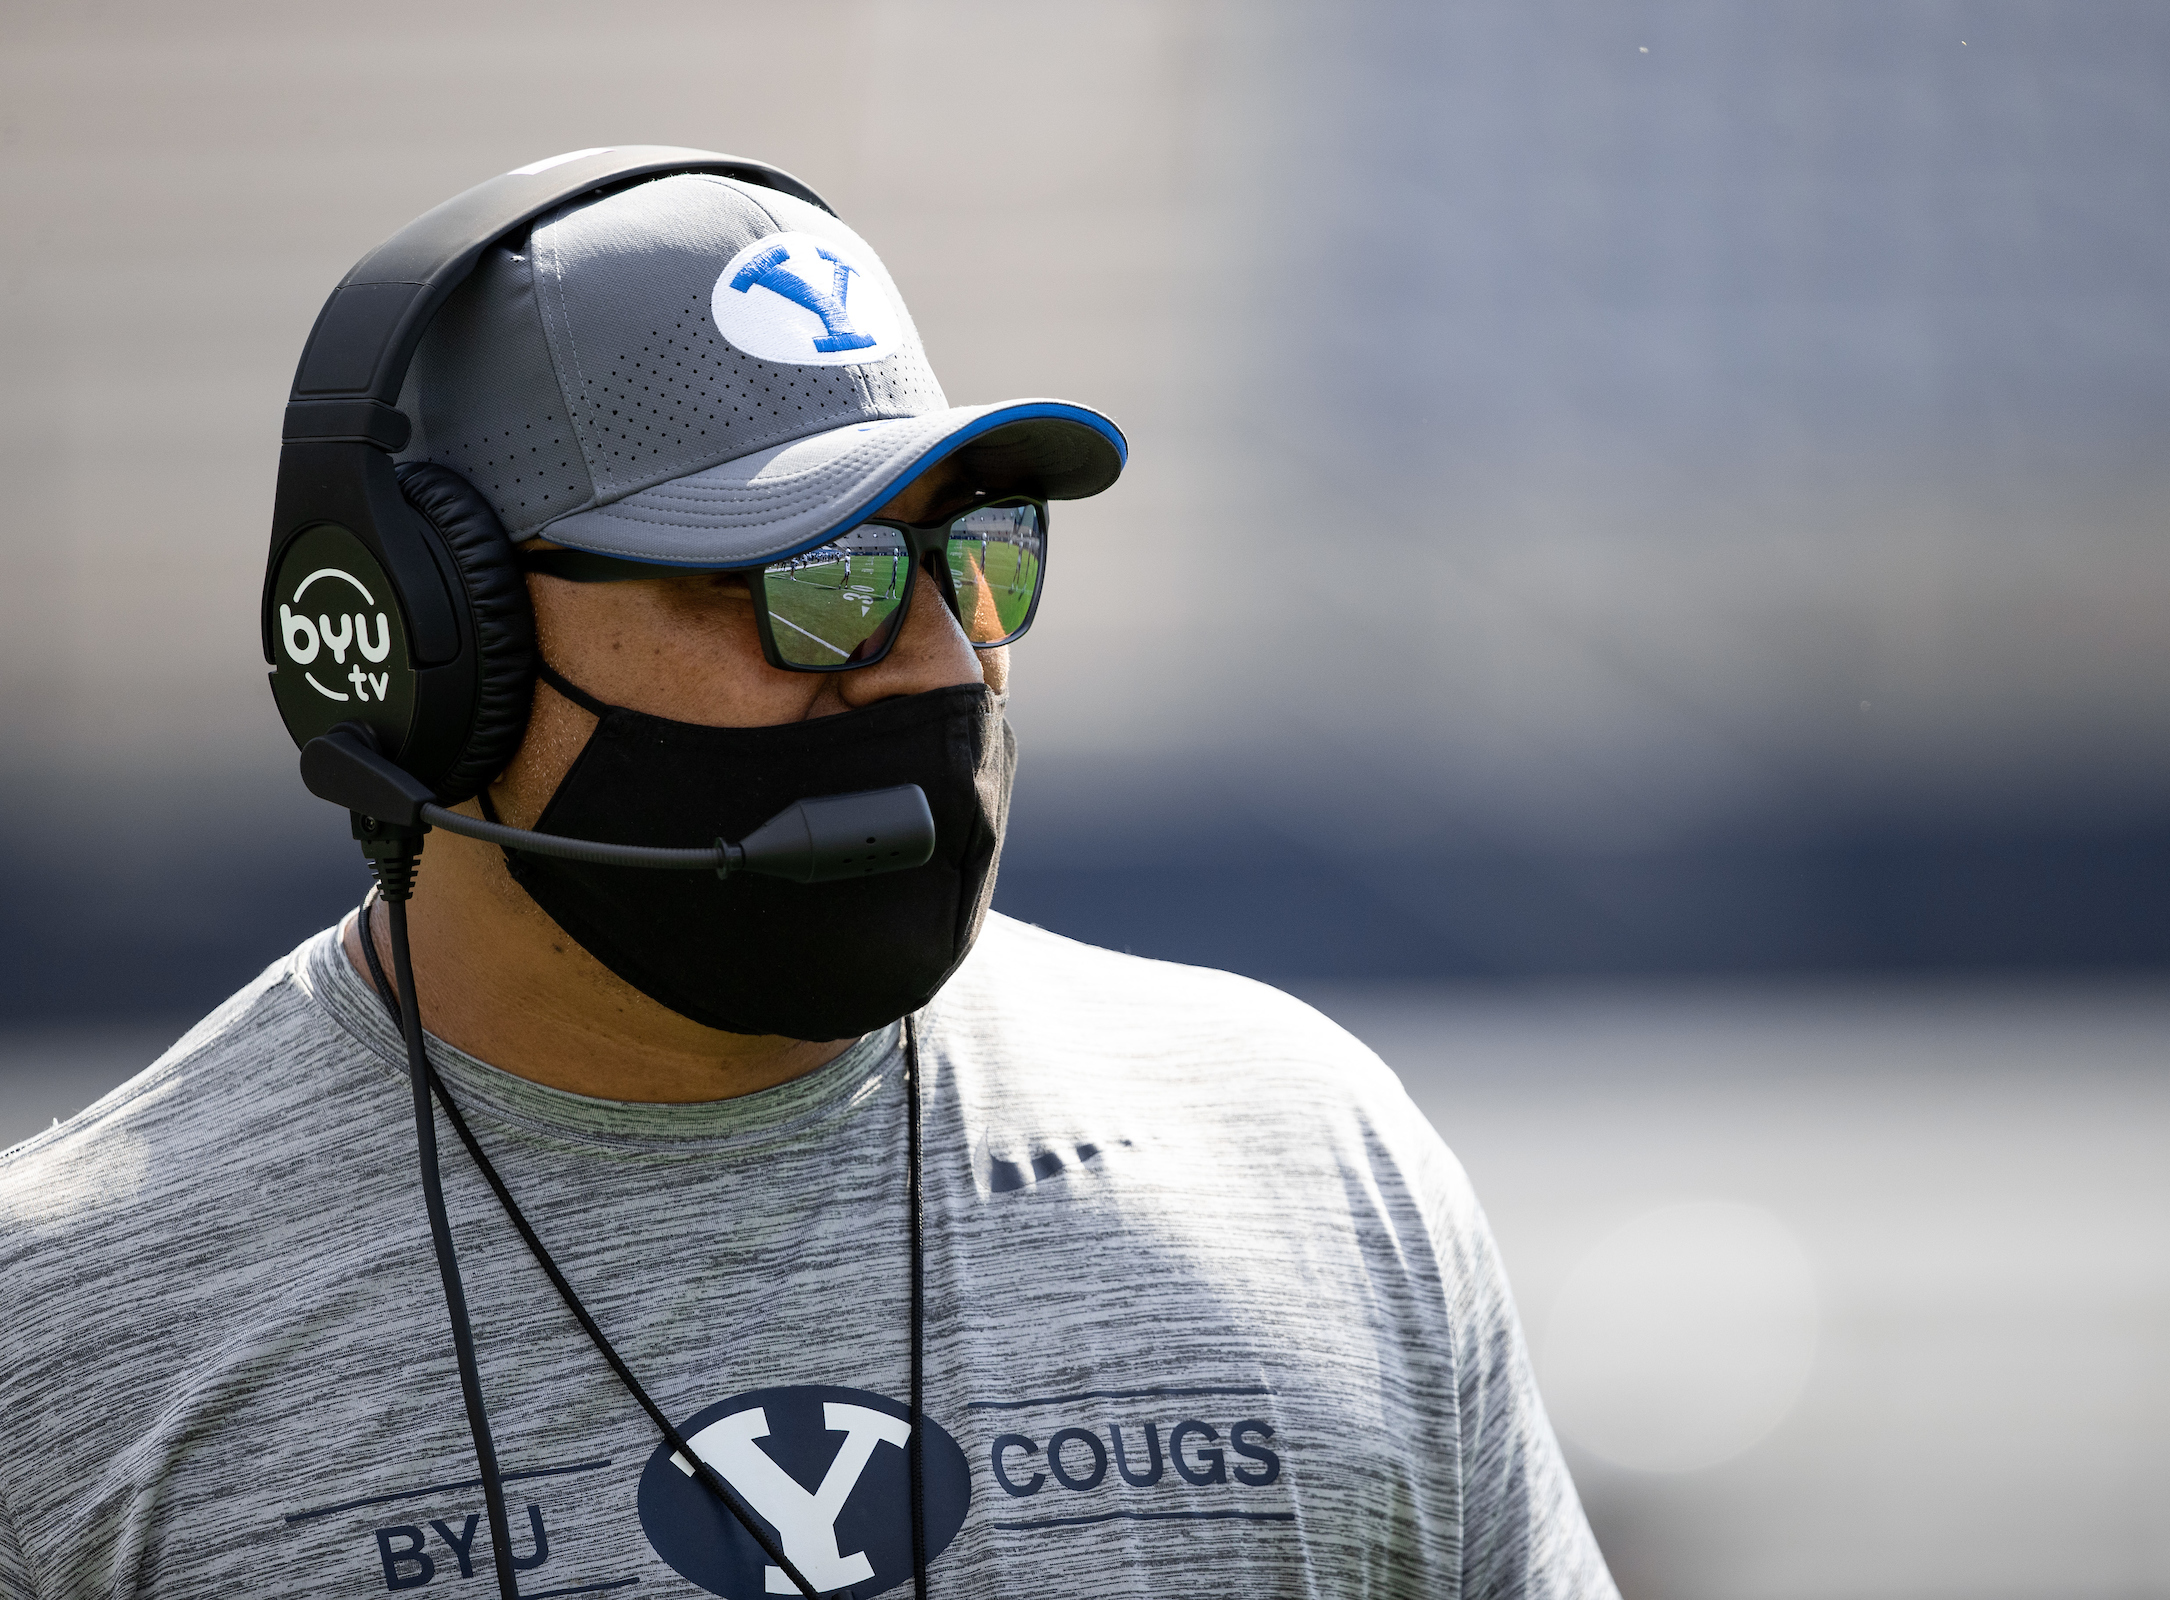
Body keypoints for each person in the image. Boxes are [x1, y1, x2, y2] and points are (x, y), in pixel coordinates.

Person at [0, 160, 1610, 1599]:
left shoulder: (1311, 1156)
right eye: (801, 579)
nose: (934, 661)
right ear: (441, 645)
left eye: (969, 554)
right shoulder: (60, 1339)